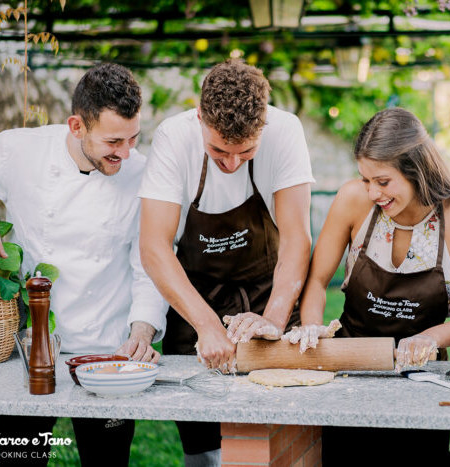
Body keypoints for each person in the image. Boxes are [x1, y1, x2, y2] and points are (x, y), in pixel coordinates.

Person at [283, 107, 450, 466]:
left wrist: (431, 339)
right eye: (365, 179)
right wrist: (314, 327)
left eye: (383, 181)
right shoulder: (352, 200)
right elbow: (317, 281)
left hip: (420, 379)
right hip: (348, 369)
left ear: (416, 170)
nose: (372, 192)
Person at [138, 59, 314, 465]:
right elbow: (154, 247)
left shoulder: (286, 131)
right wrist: (206, 325)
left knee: (272, 440)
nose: (232, 163)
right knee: (202, 450)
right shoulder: (173, 138)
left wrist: (272, 319)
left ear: (264, 126)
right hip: (194, 299)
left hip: (266, 295)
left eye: (245, 152)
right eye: (218, 150)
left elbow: (296, 238)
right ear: (199, 117)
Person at [0, 63, 167, 466]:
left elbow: (149, 261)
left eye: (133, 138)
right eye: (113, 141)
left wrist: (142, 328)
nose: (125, 153)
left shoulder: (142, 173)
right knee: (18, 458)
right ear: (76, 126)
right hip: (29, 347)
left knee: (106, 462)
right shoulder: (19, 150)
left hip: (107, 351)